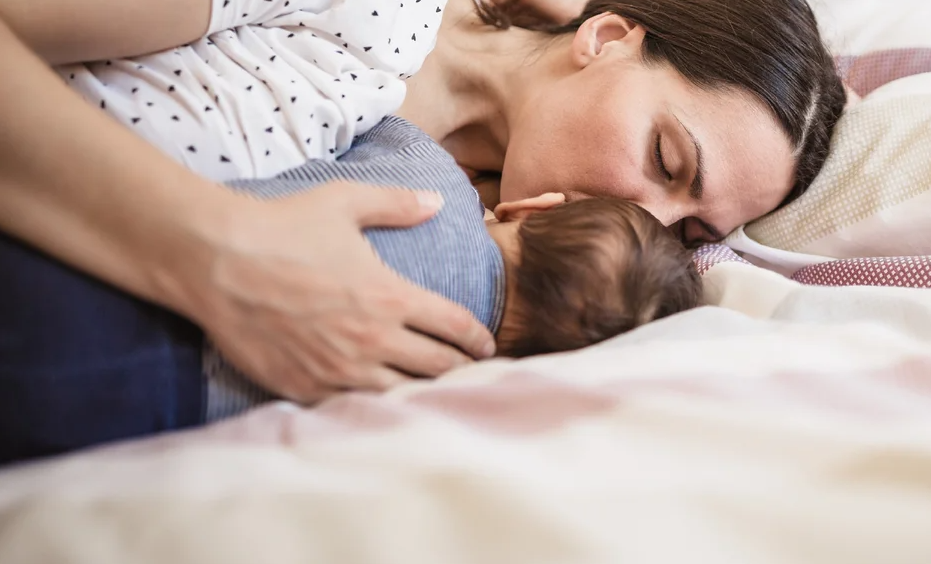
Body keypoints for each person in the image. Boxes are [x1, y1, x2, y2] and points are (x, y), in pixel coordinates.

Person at [0, 0, 845, 405]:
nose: (642, 217)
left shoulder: (501, 253)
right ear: (607, 35)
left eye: (690, 226)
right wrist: (213, 253)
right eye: (665, 158)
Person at [0, 115, 701, 464]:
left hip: (108, 261)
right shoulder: (437, 380)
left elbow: (369, 113)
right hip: (138, 404)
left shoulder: (432, 179)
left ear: (533, 208)